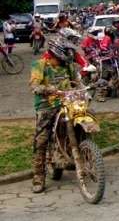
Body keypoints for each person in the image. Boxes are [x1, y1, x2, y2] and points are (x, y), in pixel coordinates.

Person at [30, 37, 81, 193]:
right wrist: (46, 89)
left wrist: (83, 87)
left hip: (68, 104)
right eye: (66, 52)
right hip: (47, 106)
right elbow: (34, 85)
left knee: (82, 123)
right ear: (57, 51)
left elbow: (77, 82)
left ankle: (79, 153)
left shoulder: (69, 67)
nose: (69, 55)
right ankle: (38, 177)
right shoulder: (40, 65)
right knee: (41, 141)